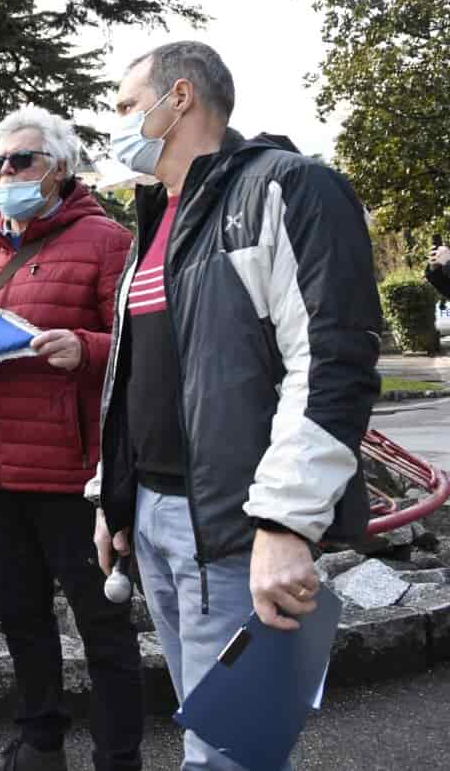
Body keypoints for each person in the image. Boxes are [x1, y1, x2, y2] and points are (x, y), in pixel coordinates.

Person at [89, 41, 381, 770]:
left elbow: (332, 361)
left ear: (179, 98)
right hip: (156, 519)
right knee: (217, 732)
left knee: (227, 751)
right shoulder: (155, 219)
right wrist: (115, 500)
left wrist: (285, 521)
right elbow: (140, 377)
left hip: (231, 526)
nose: (118, 122)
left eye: (127, 105)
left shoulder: (290, 188)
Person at [0, 106, 142, 771]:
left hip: (71, 475)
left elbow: (148, 349)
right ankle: (39, 743)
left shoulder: (108, 241)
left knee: (103, 628)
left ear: (59, 168)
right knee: (23, 620)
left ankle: (117, 756)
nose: (5, 172)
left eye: (20, 160)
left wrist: (84, 348)